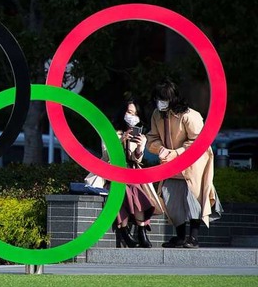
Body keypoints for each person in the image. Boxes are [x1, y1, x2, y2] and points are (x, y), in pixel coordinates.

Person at [146, 79, 223, 249]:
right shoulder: (156, 115)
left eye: (163, 98)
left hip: (193, 164)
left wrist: (176, 153)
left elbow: (198, 141)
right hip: (170, 165)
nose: (160, 102)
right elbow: (152, 138)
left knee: (193, 199)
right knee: (170, 199)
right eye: (158, 99)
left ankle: (193, 237)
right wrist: (159, 149)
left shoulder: (190, 115)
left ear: (172, 98)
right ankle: (180, 236)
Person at [93, 100, 157, 248]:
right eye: (129, 112)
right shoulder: (110, 132)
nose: (132, 117)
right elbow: (106, 155)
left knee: (133, 187)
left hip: (132, 173)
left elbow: (137, 159)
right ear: (123, 113)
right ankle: (125, 231)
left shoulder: (139, 134)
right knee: (124, 190)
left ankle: (140, 231)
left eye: (135, 114)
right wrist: (121, 140)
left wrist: (140, 147)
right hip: (112, 173)